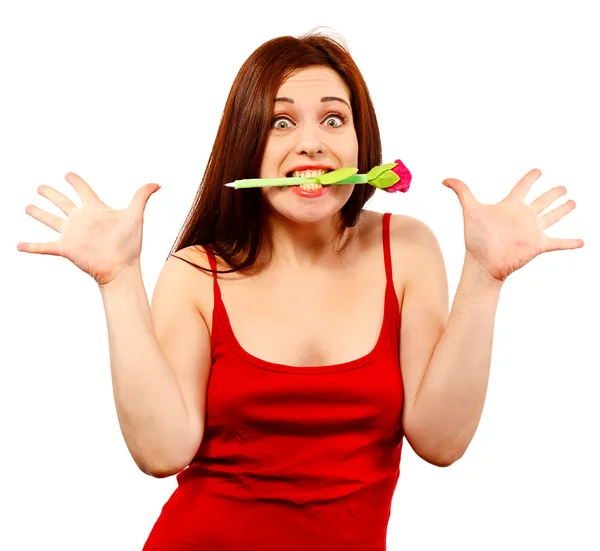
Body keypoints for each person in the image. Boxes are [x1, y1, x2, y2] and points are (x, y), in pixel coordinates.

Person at [17, 29, 583, 551]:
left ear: (362, 142)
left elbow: (441, 441)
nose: (311, 144)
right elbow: (161, 453)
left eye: (333, 120)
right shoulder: (198, 271)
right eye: (280, 122)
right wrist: (118, 282)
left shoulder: (406, 248)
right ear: (246, 145)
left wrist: (485, 274)